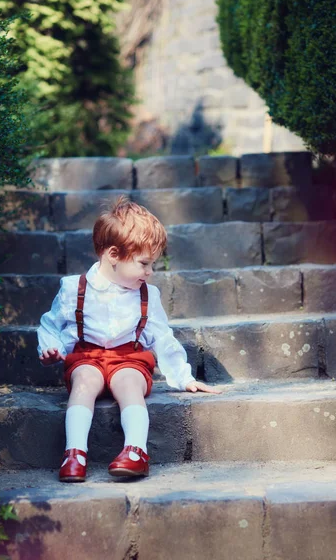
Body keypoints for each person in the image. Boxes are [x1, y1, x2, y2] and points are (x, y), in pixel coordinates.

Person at [37, 196, 220, 482]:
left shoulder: (148, 295)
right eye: (144, 264)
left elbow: (162, 337)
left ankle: (136, 451)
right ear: (113, 255)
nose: (149, 272)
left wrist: (184, 377)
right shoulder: (75, 288)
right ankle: (75, 453)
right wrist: (52, 348)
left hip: (129, 359)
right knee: (83, 383)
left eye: (152, 265)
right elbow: (51, 323)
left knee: (130, 385)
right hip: (87, 357)